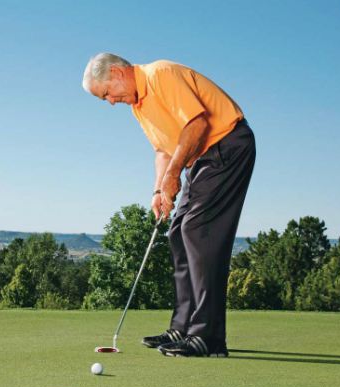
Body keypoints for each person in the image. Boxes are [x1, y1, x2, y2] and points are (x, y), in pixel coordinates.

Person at [82, 53, 256, 358]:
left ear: (117, 72)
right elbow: (163, 150)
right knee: (177, 231)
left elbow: (196, 123)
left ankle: (208, 338)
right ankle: (183, 326)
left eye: (107, 93)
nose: (110, 101)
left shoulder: (160, 75)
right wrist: (158, 192)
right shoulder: (139, 106)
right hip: (201, 157)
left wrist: (174, 175)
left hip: (228, 145)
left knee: (198, 231)